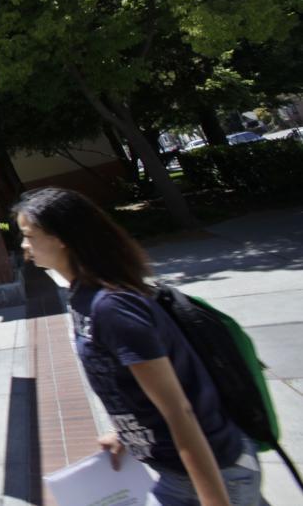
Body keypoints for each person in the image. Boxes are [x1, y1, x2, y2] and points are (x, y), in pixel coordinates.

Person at [13, 188, 265, 506]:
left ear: (61, 237)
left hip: (214, 475)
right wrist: (128, 435)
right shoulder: (82, 297)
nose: (24, 246)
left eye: (29, 235)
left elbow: (179, 411)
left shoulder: (112, 308)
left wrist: (214, 501)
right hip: (180, 472)